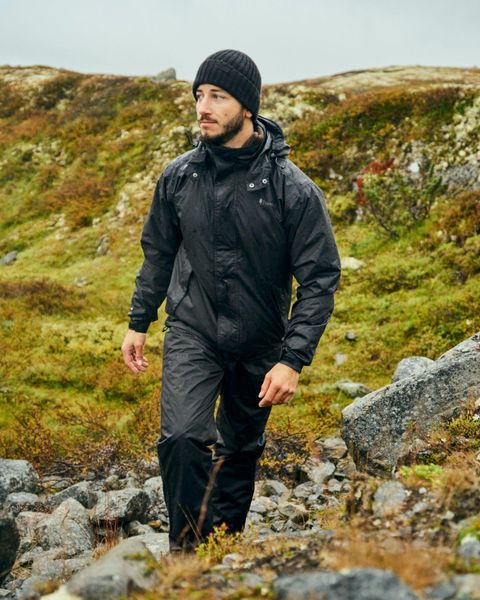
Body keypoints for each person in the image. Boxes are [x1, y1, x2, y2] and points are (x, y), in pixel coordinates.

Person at [121, 49, 341, 552]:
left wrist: (292, 360)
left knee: (239, 450)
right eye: (199, 95)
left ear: (247, 106)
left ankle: (220, 552)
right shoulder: (179, 176)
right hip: (193, 328)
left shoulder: (292, 190)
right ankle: (186, 555)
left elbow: (320, 278)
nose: (203, 107)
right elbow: (158, 253)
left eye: (217, 96)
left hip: (261, 340)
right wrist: (139, 320)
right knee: (182, 436)